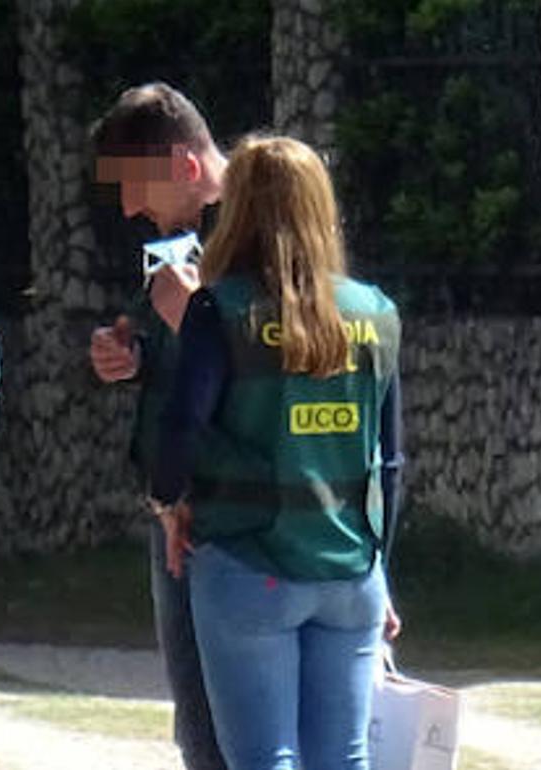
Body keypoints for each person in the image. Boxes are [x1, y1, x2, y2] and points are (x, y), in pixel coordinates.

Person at [149, 135, 402, 770]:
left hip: (247, 561)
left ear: (239, 211)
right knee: (343, 761)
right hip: (351, 569)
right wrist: (380, 564)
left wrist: (168, 503)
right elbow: (390, 460)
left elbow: (180, 427)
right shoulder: (375, 314)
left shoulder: (222, 310)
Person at [88, 82, 229, 770]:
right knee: (200, 724)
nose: (127, 208)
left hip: (228, 508)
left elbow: (274, 362)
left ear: (185, 166)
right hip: (177, 502)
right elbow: (182, 357)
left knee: (227, 728)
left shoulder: (262, 231)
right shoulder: (177, 239)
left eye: (135, 185)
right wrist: (134, 356)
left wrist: (193, 322)